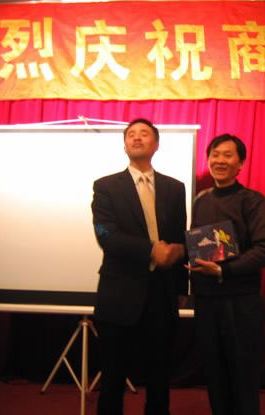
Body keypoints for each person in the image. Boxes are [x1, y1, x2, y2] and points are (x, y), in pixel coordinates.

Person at [91, 118, 188, 415]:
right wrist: (151, 250)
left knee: (159, 377)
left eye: (144, 134)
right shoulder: (106, 186)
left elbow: (178, 237)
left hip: (161, 295)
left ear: (156, 144)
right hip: (119, 295)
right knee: (113, 378)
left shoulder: (175, 188)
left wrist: (181, 286)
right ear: (124, 145)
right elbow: (105, 235)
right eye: (131, 134)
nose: (136, 138)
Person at [186, 134, 265, 415]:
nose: (220, 161)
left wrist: (222, 269)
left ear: (241, 163)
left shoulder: (253, 201)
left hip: (241, 303)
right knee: (214, 374)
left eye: (228, 155)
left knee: (243, 376)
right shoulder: (201, 200)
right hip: (206, 301)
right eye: (215, 155)